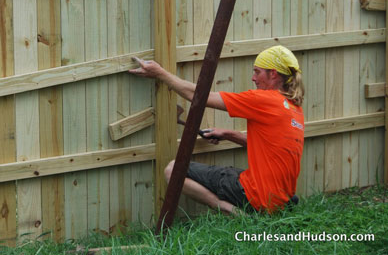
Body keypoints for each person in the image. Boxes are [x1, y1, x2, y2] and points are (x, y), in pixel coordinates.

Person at [129, 45, 305, 214]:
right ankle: (266, 211)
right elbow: (269, 147)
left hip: (258, 196)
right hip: (279, 200)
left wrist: (160, 73)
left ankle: (234, 212)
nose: (253, 78)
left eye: (257, 71)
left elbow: (199, 96)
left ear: (273, 74)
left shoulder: (265, 99)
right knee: (239, 175)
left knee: (172, 170)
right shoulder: (294, 109)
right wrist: (228, 134)